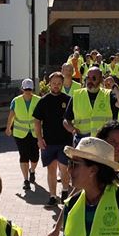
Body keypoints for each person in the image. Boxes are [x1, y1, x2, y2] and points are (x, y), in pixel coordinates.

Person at [34, 71, 73, 204]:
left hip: (65, 141)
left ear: (62, 84)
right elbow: (37, 121)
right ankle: (52, 196)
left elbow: (73, 118)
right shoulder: (43, 101)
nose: (56, 86)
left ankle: (65, 190)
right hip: (48, 142)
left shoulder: (68, 100)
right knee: (51, 169)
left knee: (64, 168)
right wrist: (39, 138)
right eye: (54, 83)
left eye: (59, 83)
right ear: (49, 84)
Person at [63, 66, 119, 144]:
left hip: (104, 140)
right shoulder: (77, 95)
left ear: (101, 80)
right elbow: (66, 120)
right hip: (82, 141)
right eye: (87, 78)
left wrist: (114, 86)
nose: (90, 81)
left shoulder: (108, 95)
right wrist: (72, 129)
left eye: (94, 78)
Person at [5, 79, 39, 191]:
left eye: (29, 89)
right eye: (26, 89)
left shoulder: (38, 100)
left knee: (35, 157)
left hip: (34, 133)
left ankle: (32, 170)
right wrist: (8, 128)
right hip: (20, 133)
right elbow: (11, 116)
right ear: (22, 89)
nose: (28, 91)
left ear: (32, 89)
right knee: (23, 156)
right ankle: (26, 180)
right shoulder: (16, 101)